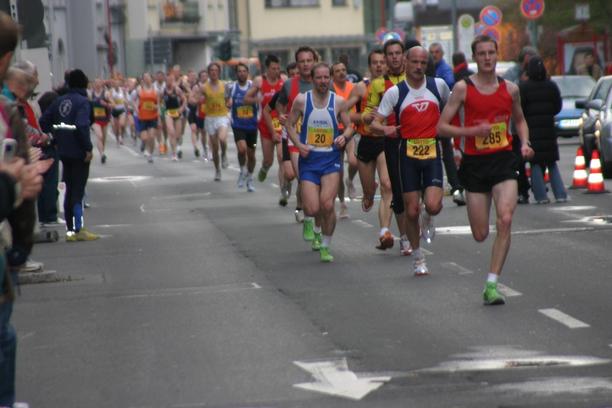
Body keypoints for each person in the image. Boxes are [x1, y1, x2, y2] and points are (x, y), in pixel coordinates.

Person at [438, 35, 534, 305]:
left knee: (505, 219)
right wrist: (471, 132)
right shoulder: (462, 89)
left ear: (497, 54)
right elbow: (441, 127)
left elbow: (520, 120)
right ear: (475, 57)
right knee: (480, 234)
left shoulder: (511, 89)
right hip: (475, 165)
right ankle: (490, 278)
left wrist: (525, 143)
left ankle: (491, 284)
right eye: (482, 53)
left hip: (503, 161)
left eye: (491, 52)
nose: (487, 58)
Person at [372, 46, 450, 275]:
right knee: (412, 210)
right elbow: (375, 123)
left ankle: (428, 217)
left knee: (433, 205)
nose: (418, 67)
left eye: (423, 63)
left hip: (432, 151)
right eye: (414, 62)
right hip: (407, 155)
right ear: (406, 61)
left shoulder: (438, 86)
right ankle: (418, 258)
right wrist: (385, 129)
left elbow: (453, 109)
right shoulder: (395, 93)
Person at [286, 62, 353, 262]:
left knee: (327, 204)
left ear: (330, 78)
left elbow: (350, 126)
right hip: (309, 160)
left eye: (326, 77)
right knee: (313, 208)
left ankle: (325, 244)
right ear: (312, 79)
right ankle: (313, 226)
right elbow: (289, 125)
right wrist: (299, 144)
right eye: (319, 77)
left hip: (330, 159)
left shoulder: (338, 101)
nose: (323, 81)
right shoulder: (301, 100)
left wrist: (344, 137)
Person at [363, 38, 412, 255]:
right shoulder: (377, 84)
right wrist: (369, 117)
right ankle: (403, 237)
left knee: (416, 192)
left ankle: (420, 218)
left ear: (404, 56)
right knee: (395, 190)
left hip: (416, 140)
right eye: (390, 54)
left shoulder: (414, 78)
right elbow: (368, 112)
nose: (394, 58)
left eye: (397, 53)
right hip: (390, 141)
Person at [40, 69, 99, 242]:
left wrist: (54, 136)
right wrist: (87, 148)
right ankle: (78, 229)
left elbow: (43, 121)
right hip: (79, 151)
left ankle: (70, 231)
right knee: (78, 191)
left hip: (63, 150)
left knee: (68, 188)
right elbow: (82, 125)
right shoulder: (83, 102)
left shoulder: (59, 100)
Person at [345, 48, 396, 250]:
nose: (379, 66)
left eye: (382, 62)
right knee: (368, 192)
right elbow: (346, 113)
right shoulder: (361, 87)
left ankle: (384, 231)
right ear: (369, 66)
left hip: (384, 141)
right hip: (366, 141)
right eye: (375, 62)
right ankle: (368, 192)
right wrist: (364, 117)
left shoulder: (393, 86)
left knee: (387, 185)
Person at [276, 46, 318, 225]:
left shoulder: (323, 81)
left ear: (314, 61)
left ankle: (302, 206)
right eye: (302, 61)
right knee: (303, 178)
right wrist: (281, 114)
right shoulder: (289, 85)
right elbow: (279, 104)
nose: (306, 64)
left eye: (309, 60)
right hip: (295, 137)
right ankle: (308, 217)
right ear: (297, 64)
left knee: (314, 182)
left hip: (318, 138)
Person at [519, 56, 566, 204]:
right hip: (548, 129)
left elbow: (520, 109)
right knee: (552, 162)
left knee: (535, 163)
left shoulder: (524, 88)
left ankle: (540, 196)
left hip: (532, 130)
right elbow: (558, 106)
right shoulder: (551, 86)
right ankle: (560, 194)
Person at [504, 46, 538, 204]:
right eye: (529, 59)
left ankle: (536, 188)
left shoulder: (537, 71)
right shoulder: (513, 74)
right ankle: (521, 190)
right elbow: (509, 92)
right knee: (518, 160)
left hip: (533, 124)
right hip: (514, 127)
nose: (530, 62)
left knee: (536, 158)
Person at [331, 61, 357, 218]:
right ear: (332, 75)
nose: (341, 73)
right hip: (335, 131)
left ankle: (351, 181)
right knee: (338, 172)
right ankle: (342, 203)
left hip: (350, 128)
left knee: (354, 162)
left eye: (343, 70)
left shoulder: (353, 87)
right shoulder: (330, 89)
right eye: (337, 71)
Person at [229, 63, 258, 192]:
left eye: (244, 71)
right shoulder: (232, 87)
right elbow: (227, 102)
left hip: (252, 126)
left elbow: (260, 101)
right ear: (236, 74)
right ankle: (242, 170)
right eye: (239, 71)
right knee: (242, 150)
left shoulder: (253, 86)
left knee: (251, 155)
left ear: (248, 73)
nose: (242, 73)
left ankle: (250, 178)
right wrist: (228, 103)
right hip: (238, 125)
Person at [201, 62, 230, 181]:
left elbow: (228, 100)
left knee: (222, 139)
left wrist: (229, 104)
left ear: (219, 72)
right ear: (209, 73)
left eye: (216, 70)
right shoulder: (204, 87)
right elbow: (196, 98)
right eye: (211, 70)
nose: (214, 72)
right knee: (214, 147)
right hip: (210, 118)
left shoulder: (224, 85)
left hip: (222, 116)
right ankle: (217, 170)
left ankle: (224, 154)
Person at [162, 74, 187, 161]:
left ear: (172, 81)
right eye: (167, 80)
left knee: (177, 135)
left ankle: (177, 147)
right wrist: (160, 108)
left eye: (170, 80)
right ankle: (174, 153)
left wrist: (182, 108)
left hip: (177, 112)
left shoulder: (177, 90)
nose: (168, 82)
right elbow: (158, 100)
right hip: (168, 113)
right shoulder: (163, 91)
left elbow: (184, 99)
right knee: (171, 132)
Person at [90, 78, 112, 164]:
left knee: (103, 138)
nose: (97, 84)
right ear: (94, 84)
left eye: (99, 83)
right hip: (95, 119)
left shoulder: (106, 93)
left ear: (102, 84)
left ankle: (102, 151)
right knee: (99, 136)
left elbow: (113, 104)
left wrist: (106, 104)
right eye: (96, 83)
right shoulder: (91, 94)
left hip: (104, 119)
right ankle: (102, 154)